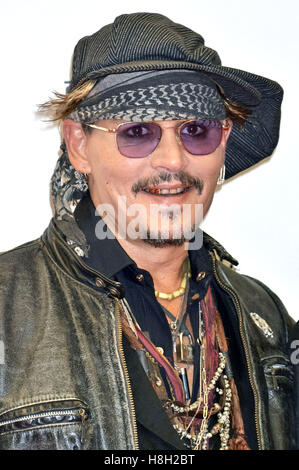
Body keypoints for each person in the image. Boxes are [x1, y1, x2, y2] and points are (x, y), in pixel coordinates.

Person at [0, 12, 296, 451]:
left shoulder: (265, 316)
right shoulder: (8, 307)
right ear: (79, 144)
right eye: (138, 133)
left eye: (196, 131)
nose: (173, 161)